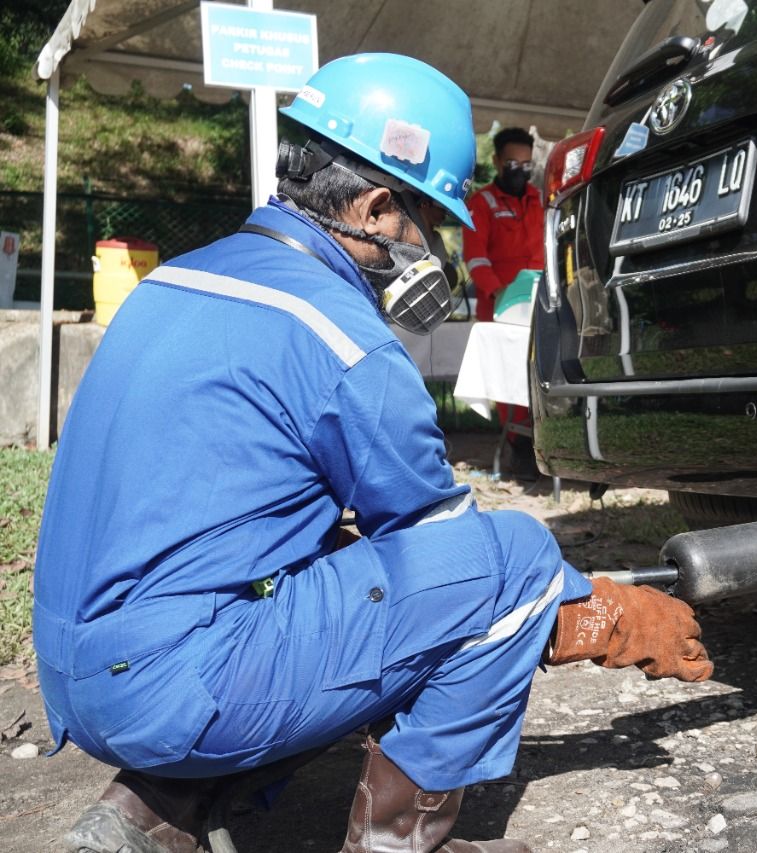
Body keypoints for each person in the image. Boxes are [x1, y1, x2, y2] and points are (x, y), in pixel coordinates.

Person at [34, 53, 712, 853]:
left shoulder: (178, 280)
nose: (436, 251)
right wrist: (592, 608)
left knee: (326, 579)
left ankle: (151, 808)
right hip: (177, 688)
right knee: (514, 554)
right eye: (431, 222)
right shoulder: (343, 337)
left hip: (80, 679)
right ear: (379, 208)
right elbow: (452, 553)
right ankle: (392, 845)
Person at [462, 128, 543, 477]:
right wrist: (500, 294)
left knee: (540, 374)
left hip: (541, 304)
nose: (519, 169)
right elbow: (476, 258)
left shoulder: (541, 199)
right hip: (500, 307)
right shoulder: (482, 202)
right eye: (512, 162)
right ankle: (518, 446)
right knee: (508, 378)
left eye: (526, 164)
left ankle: (544, 441)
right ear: (496, 161)